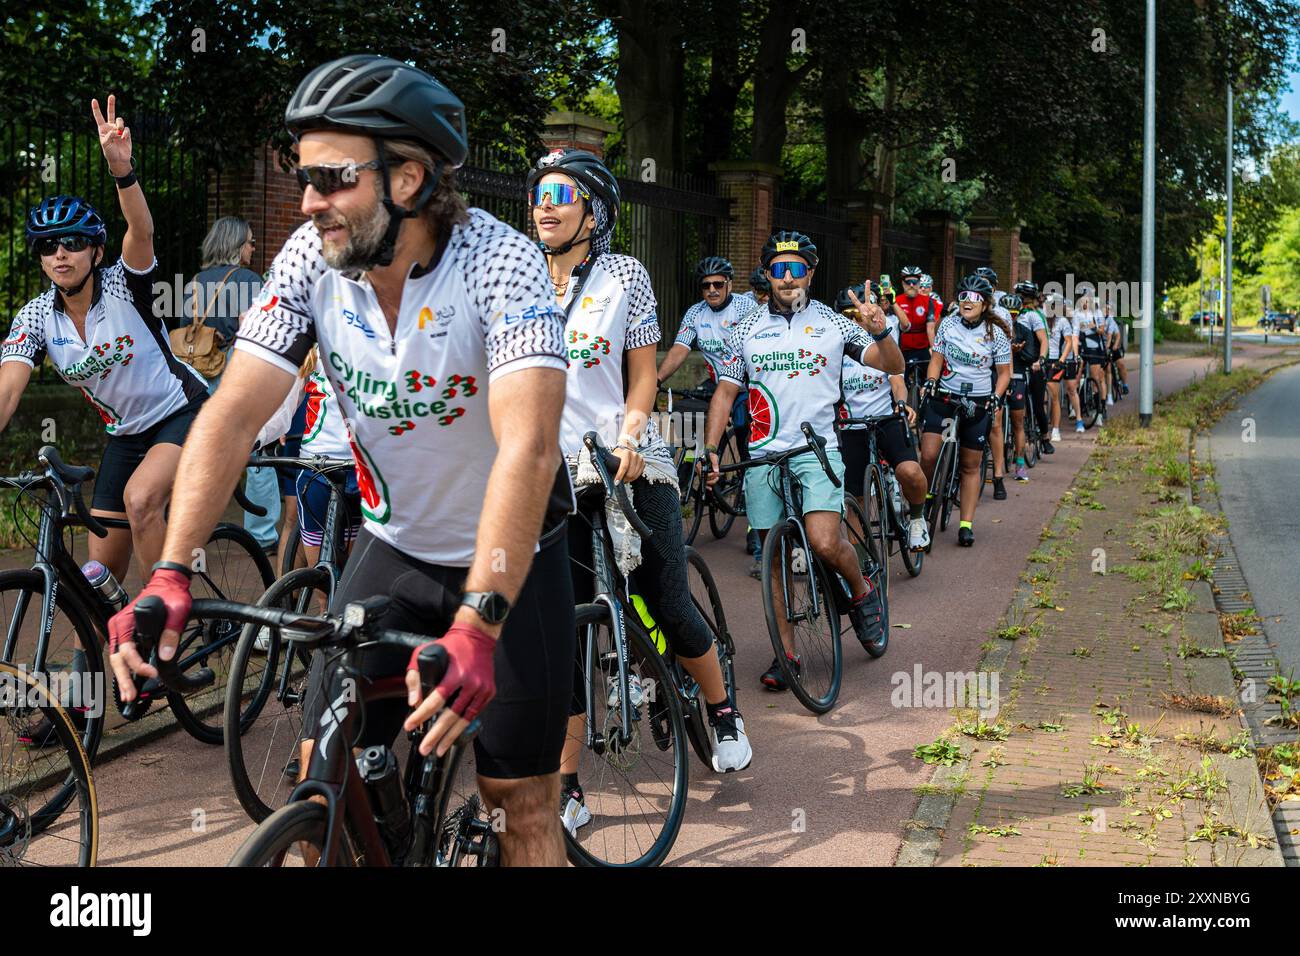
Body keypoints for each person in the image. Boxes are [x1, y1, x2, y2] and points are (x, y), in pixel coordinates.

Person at [108, 55, 577, 866]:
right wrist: (171, 573)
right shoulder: (307, 261)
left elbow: (528, 447)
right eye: (304, 178)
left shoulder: (499, 263)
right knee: (318, 775)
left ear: (410, 177)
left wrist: (479, 620)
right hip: (394, 548)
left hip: (514, 561)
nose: (308, 202)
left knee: (521, 808)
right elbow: (232, 414)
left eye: (331, 178)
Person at [526, 148, 752, 838]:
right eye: (538, 193)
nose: (545, 204)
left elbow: (643, 376)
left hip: (624, 457)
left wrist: (629, 434)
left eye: (561, 194)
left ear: (594, 211)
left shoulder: (625, 276)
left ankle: (720, 711)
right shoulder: (516, 277)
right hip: (546, 471)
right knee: (560, 629)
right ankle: (566, 786)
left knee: (664, 597)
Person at [0, 96, 208, 585]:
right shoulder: (35, 316)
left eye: (73, 242)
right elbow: (8, 391)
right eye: (48, 247)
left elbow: (142, 229)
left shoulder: (123, 283)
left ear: (96, 250)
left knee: (141, 500)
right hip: (125, 435)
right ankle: (90, 656)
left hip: (182, 411)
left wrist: (122, 169)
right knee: (99, 575)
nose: (60, 254)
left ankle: (167, 622)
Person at [700, 230, 902, 688]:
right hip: (763, 457)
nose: (787, 277)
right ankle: (785, 655)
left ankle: (861, 588)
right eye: (778, 269)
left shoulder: (836, 323)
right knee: (772, 558)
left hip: (817, 450)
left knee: (825, 541)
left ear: (810, 273)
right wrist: (710, 449)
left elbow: (892, 366)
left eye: (796, 269)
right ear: (768, 275)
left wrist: (881, 330)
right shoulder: (747, 328)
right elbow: (726, 392)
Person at [656, 255, 760, 560]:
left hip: (748, 385)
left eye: (717, 284)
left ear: (729, 284)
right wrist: (657, 377)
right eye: (706, 285)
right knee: (687, 419)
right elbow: (679, 349)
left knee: (747, 443)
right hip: (718, 382)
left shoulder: (746, 308)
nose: (711, 290)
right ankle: (689, 471)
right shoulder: (695, 313)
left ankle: (756, 525)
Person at [187, 216, 281, 552]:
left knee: (207, 452)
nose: (253, 248)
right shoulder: (250, 281)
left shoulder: (196, 283)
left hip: (197, 373)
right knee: (256, 449)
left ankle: (196, 529)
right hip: (235, 368)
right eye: (250, 242)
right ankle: (262, 534)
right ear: (235, 245)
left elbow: (188, 329)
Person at [917, 274, 1011, 548]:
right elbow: (936, 360)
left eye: (974, 298)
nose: (967, 302)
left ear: (985, 304)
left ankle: (966, 524)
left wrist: (995, 397)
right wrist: (932, 381)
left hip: (978, 402)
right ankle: (925, 496)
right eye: (963, 296)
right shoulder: (947, 324)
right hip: (946, 398)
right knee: (929, 454)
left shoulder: (997, 332)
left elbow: (1004, 373)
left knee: (970, 466)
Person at [836, 283, 929, 552]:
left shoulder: (882, 340)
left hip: (885, 418)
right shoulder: (835, 346)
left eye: (859, 313)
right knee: (855, 496)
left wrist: (901, 403)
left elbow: (897, 378)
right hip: (851, 425)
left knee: (909, 471)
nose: (855, 320)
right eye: (848, 314)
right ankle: (864, 560)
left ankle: (917, 518)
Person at [1005, 290, 1047, 481]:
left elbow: (1031, 355)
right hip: (999, 379)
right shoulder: (992, 329)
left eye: (1014, 313)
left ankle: (1020, 464)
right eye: (1007, 313)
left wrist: (1019, 352)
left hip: (1017, 377)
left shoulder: (1023, 330)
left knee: (1018, 422)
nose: (1011, 317)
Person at [1015, 280, 1053, 455]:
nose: (1025, 300)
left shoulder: (1034, 315)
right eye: (1023, 297)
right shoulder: (1012, 313)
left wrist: (1041, 359)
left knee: (1038, 404)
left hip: (1034, 363)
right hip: (1017, 364)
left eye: (1027, 297)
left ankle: (1045, 437)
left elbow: (1044, 340)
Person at [1043, 295, 1081, 441]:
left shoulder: (1063, 321)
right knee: (1041, 397)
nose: (1049, 307)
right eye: (1047, 304)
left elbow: (1069, 342)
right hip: (1043, 359)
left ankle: (1056, 430)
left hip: (1056, 361)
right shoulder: (1041, 318)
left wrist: (1061, 360)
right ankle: (1043, 426)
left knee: (1053, 396)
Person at [1073, 291, 1108, 425]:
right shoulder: (1077, 314)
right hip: (1082, 346)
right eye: (1082, 300)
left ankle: (1100, 409)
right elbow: (1075, 333)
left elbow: (1102, 331)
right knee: (1077, 375)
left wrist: (1094, 327)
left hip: (1095, 347)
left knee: (1096, 378)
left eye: (1086, 300)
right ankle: (1075, 408)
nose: (1084, 303)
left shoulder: (1097, 312)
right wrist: (1075, 354)